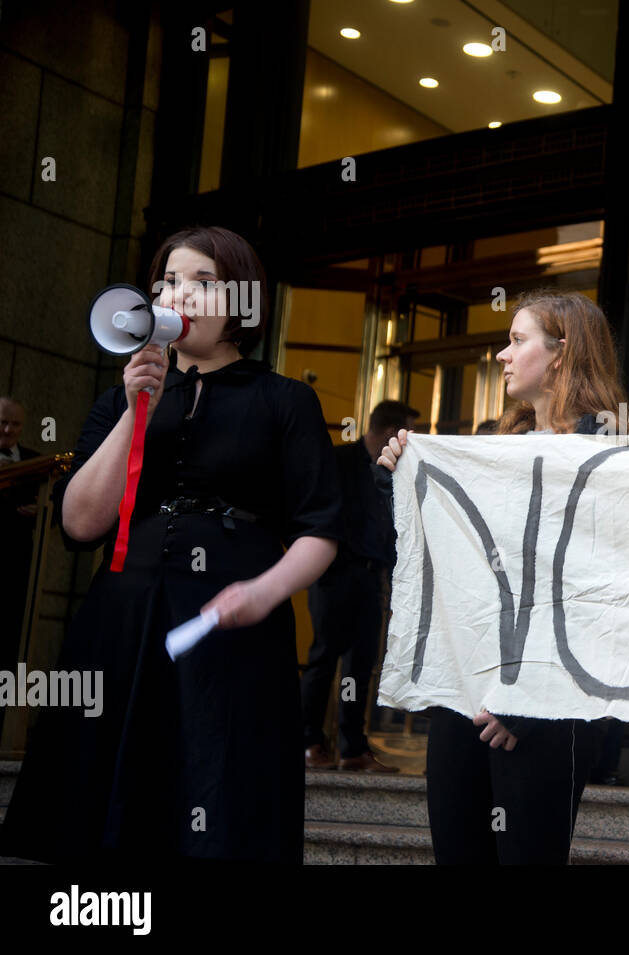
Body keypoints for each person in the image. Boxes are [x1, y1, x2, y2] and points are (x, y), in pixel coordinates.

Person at [0, 226, 342, 863]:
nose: (178, 294)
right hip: (126, 617)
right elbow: (80, 523)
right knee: (107, 804)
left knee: (217, 795)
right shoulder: (122, 395)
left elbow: (319, 529)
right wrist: (138, 409)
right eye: (167, 282)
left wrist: (264, 593)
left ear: (242, 301)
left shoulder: (285, 401)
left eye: (202, 282)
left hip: (231, 629)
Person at [378, 288, 625, 864]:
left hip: (545, 706)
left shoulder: (608, 454)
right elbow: (449, 568)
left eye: (517, 341)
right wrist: (394, 481)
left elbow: (597, 590)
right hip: (463, 693)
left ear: (560, 352)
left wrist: (528, 700)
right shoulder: (491, 449)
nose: (501, 355)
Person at [302, 399, 418, 772]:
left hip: (372, 576)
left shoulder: (397, 470)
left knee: (360, 664)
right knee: (323, 658)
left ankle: (353, 748)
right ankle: (309, 743)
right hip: (334, 574)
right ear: (388, 432)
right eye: (406, 433)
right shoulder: (339, 461)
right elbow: (315, 513)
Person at [0, 396, 41, 740]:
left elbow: (54, 507)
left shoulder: (35, 462)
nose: (8, 430)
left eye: (15, 424)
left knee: (8, 647)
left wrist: (41, 513)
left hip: (16, 570)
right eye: (2, 422)